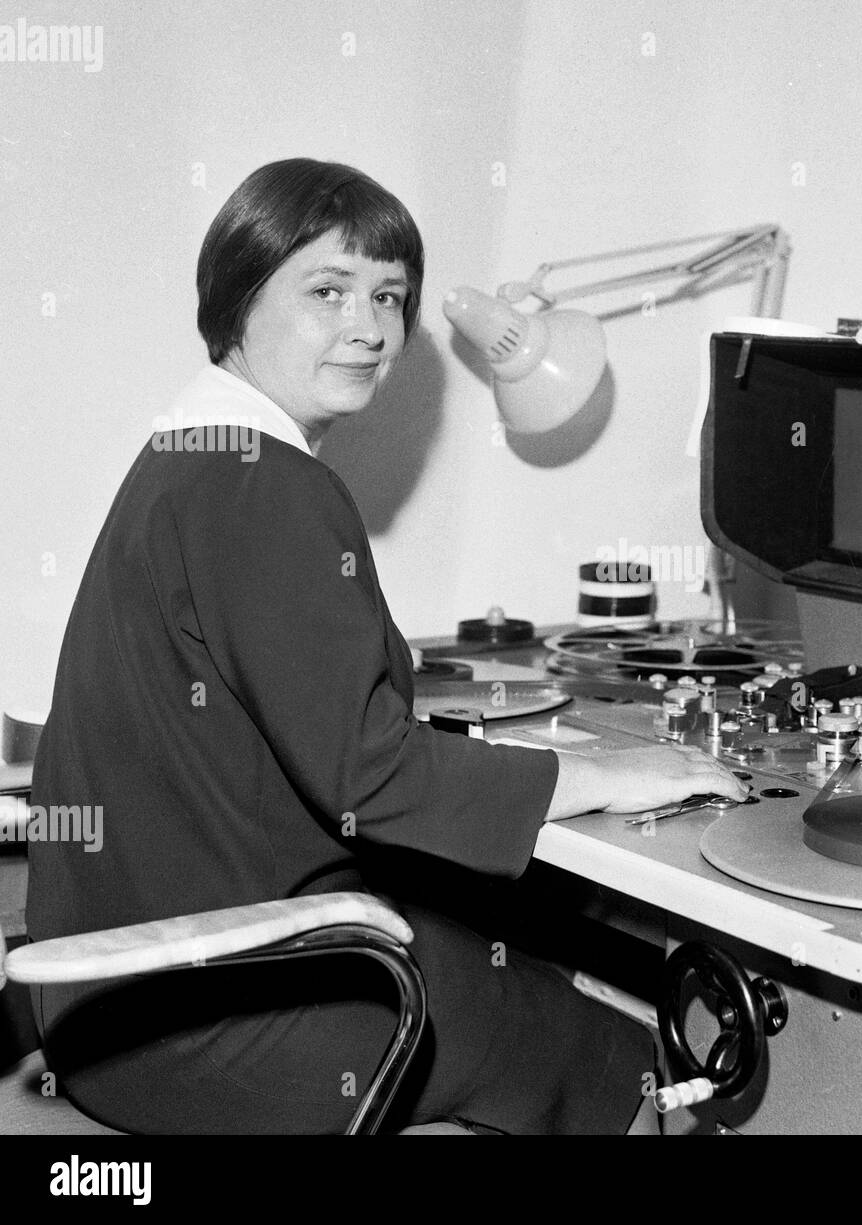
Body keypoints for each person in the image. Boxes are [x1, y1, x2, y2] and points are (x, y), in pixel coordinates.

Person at [25, 158, 747, 1135]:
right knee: (575, 1032)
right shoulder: (264, 485)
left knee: (509, 944)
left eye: (389, 296)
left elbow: (308, 737)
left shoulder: (188, 456)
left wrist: (551, 766)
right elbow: (366, 777)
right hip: (210, 1030)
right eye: (327, 291)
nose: (368, 328)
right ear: (239, 295)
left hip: (110, 1005)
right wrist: (612, 768)